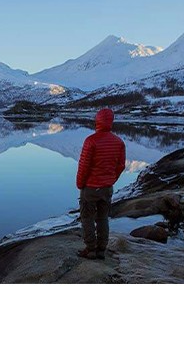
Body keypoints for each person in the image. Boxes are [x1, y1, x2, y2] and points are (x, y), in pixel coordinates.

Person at [76, 108, 126, 260]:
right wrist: (111, 180)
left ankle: (90, 249)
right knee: (103, 218)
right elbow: (121, 166)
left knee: (87, 218)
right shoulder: (119, 142)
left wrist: (80, 184)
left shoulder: (91, 141)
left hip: (90, 188)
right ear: (111, 122)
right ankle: (101, 250)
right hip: (107, 188)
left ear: (97, 121)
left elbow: (84, 166)